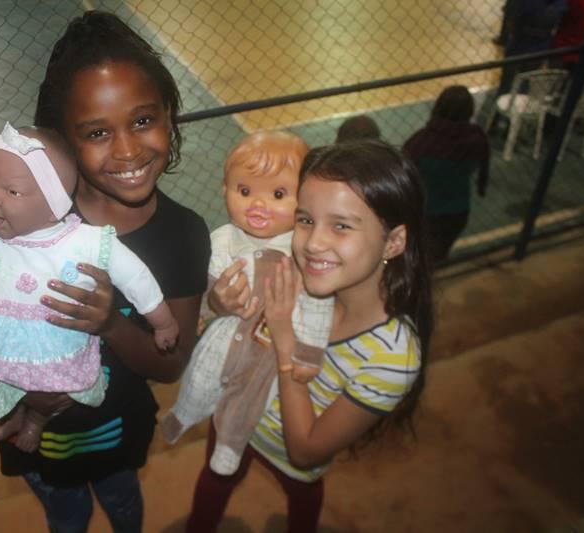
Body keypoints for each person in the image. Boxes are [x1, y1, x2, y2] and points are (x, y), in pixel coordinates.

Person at [0, 10, 210, 532]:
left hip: (115, 428)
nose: (127, 149)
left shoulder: (183, 236)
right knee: (67, 511)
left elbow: (170, 364)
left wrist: (109, 324)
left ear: (169, 114)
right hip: (30, 432)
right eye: (98, 131)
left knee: (122, 499)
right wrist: (18, 383)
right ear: (61, 140)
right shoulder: (23, 210)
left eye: (143, 120)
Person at [186, 140, 433, 533]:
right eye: (305, 220)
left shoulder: (393, 357)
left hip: (291, 461)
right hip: (235, 416)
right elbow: (227, 322)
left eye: (341, 226)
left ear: (393, 242)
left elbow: (304, 452)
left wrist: (285, 337)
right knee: (215, 481)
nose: (313, 244)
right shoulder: (297, 270)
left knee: (302, 498)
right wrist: (218, 304)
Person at [0, 123, 179, 453]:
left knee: (54, 396)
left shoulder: (84, 243)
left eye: (12, 192)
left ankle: (36, 421)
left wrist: (163, 321)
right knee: (6, 384)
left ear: (54, 205)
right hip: (1, 342)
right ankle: (15, 416)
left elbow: (135, 277)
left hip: (55, 350)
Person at [159, 131, 334, 476]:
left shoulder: (305, 251)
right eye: (244, 191)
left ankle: (230, 444)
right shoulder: (222, 240)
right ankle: (183, 413)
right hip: (225, 335)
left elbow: (318, 307)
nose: (258, 204)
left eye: (278, 194)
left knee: (249, 399)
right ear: (224, 189)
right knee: (200, 374)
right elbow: (205, 287)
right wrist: (207, 307)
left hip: (269, 349)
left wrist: (310, 353)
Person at [403, 86, 490, 261]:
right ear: (470, 110)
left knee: (417, 254)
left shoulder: (420, 142)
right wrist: (481, 186)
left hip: (426, 211)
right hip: (458, 211)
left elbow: (403, 175)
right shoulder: (477, 138)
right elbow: (482, 165)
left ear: (438, 107)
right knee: (439, 254)